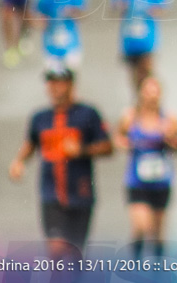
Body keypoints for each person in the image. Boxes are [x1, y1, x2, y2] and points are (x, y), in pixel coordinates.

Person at [8, 68, 113, 261]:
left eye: (59, 83)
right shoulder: (40, 117)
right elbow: (31, 143)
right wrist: (19, 162)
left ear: (71, 85)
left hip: (80, 195)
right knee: (56, 251)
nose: (54, 88)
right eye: (50, 83)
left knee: (74, 254)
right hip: (51, 196)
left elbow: (108, 147)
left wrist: (81, 150)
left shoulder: (88, 114)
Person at [113, 76, 177, 259]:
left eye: (155, 92)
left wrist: (170, 139)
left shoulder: (169, 119)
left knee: (157, 235)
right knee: (141, 227)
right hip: (136, 181)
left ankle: (157, 270)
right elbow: (118, 138)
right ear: (141, 93)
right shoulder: (130, 117)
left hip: (161, 181)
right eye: (148, 92)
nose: (151, 96)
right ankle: (135, 263)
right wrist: (125, 144)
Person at [111, 0, 168, 91]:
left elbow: (163, 8)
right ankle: (138, 101)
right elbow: (114, 6)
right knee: (134, 75)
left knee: (147, 72)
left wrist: (152, 10)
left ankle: (150, 98)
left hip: (147, 40)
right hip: (130, 40)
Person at [35, 0, 88, 71]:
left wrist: (73, 13)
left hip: (71, 44)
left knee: (70, 75)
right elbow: (35, 19)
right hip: (50, 45)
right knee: (52, 78)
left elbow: (84, 15)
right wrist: (41, 23)